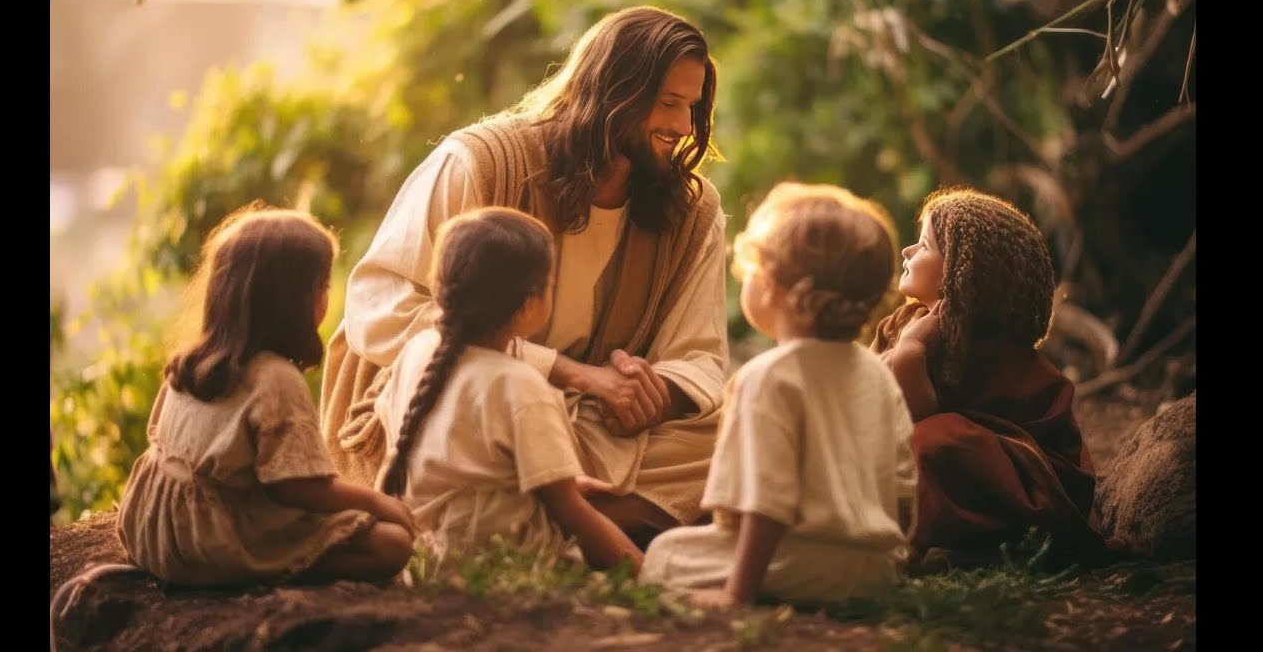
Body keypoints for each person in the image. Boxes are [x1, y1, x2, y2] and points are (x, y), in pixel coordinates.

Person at [322, 6, 729, 544]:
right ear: (615, 93)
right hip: (466, 398)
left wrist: (653, 394)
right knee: (463, 410)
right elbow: (380, 309)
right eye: (668, 104)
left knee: (733, 432)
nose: (682, 127)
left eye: (691, 108)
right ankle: (585, 520)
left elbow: (701, 354)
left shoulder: (690, 210)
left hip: (589, 421)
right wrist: (560, 370)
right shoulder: (480, 162)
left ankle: (536, 517)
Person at [640, 183, 917, 607]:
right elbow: (903, 492)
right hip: (877, 569)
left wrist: (737, 592)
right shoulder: (879, 375)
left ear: (770, 285)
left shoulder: (767, 377)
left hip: (798, 564)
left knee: (665, 554)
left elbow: (766, 501)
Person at [115, 204, 416, 587]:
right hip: (212, 545)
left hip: (154, 533)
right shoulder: (275, 377)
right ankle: (290, 565)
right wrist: (376, 500)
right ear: (292, 300)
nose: (326, 296)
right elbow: (295, 486)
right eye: (322, 286)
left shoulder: (190, 361)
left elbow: (159, 437)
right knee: (393, 544)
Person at [373, 207, 644, 573]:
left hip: (423, 560)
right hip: (504, 568)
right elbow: (571, 513)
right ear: (531, 305)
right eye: (551, 284)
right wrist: (647, 574)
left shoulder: (417, 350)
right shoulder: (519, 384)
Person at [872, 187, 1107, 569]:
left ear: (965, 274)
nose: (907, 252)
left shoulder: (1000, 355)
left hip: (1009, 486)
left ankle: (966, 543)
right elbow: (868, 399)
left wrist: (911, 353)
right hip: (912, 468)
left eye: (924, 245)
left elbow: (913, 415)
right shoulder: (901, 324)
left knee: (936, 442)